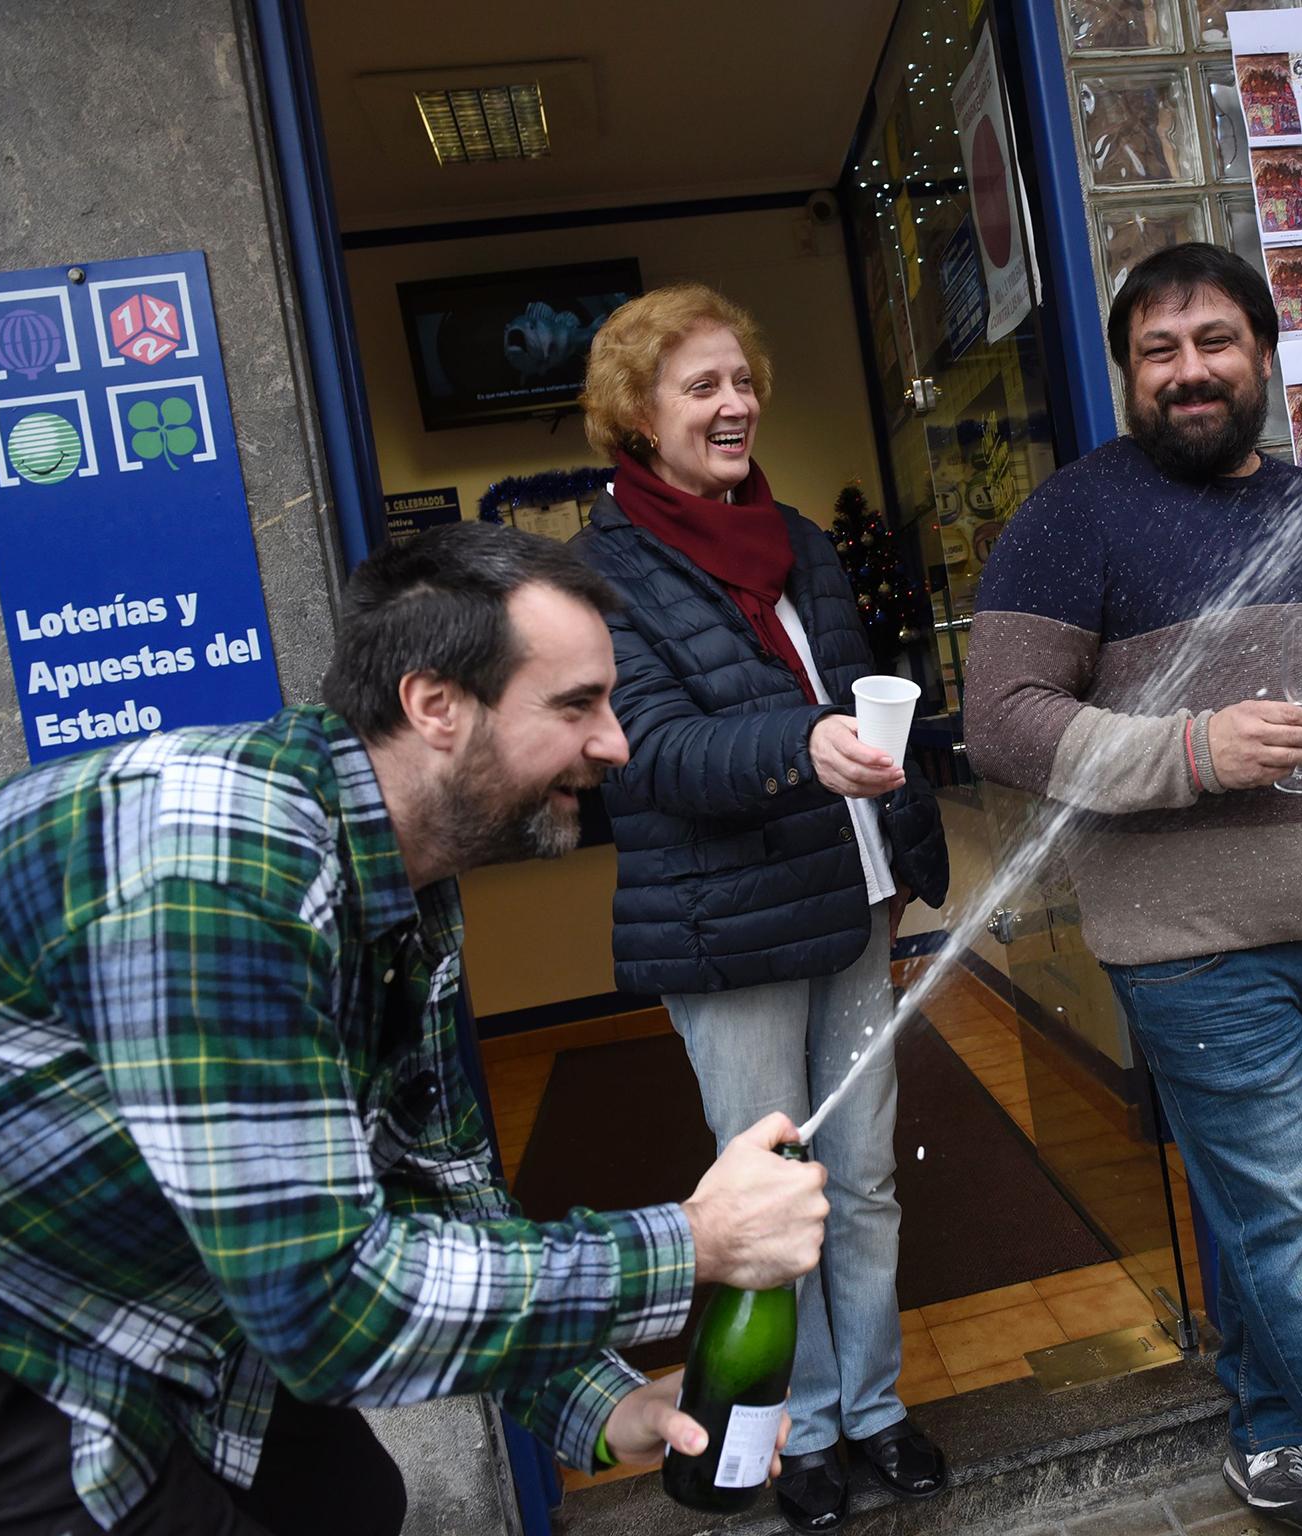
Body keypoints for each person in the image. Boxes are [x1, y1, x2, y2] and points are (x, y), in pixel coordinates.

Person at [0, 522, 833, 1536]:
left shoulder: (403, 888)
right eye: (575, 705)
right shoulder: (218, 875)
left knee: (353, 1503)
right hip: (28, 1343)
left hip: (197, 1294)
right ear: (434, 705)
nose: (616, 743)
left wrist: (602, 1403)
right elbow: (329, 1309)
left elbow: (444, 1191)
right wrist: (693, 1242)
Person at [965, 243, 1302, 1536]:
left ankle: (1271, 1436)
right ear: (1126, 376)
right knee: (1286, 1239)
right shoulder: (1070, 520)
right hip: (1195, 958)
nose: (1189, 372)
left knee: (1279, 1227)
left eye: (1214, 342)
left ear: (1263, 356)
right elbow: (1001, 723)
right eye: (1159, 352)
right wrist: (1191, 752)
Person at [569, 284, 950, 1534]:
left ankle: (877, 1409)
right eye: (700, 387)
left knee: (868, 1179)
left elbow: (859, 707)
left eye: (741, 382)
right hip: (725, 930)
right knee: (772, 1203)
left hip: (849, 903)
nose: (733, 405)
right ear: (637, 412)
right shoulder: (604, 569)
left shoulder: (798, 537)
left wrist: (897, 853)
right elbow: (655, 752)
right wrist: (805, 740)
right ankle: (812, 1429)